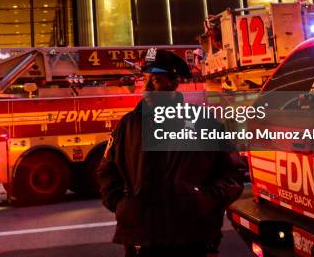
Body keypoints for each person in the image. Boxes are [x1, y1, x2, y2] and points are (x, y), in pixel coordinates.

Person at [97, 48, 246, 257]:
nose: (147, 87)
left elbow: (233, 173)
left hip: (192, 238)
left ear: (174, 82)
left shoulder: (203, 122)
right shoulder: (127, 125)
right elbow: (106, 171)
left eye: (155, 80)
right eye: (145, 79)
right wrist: (123, 206)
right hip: (142, 239)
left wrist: (204, 201)